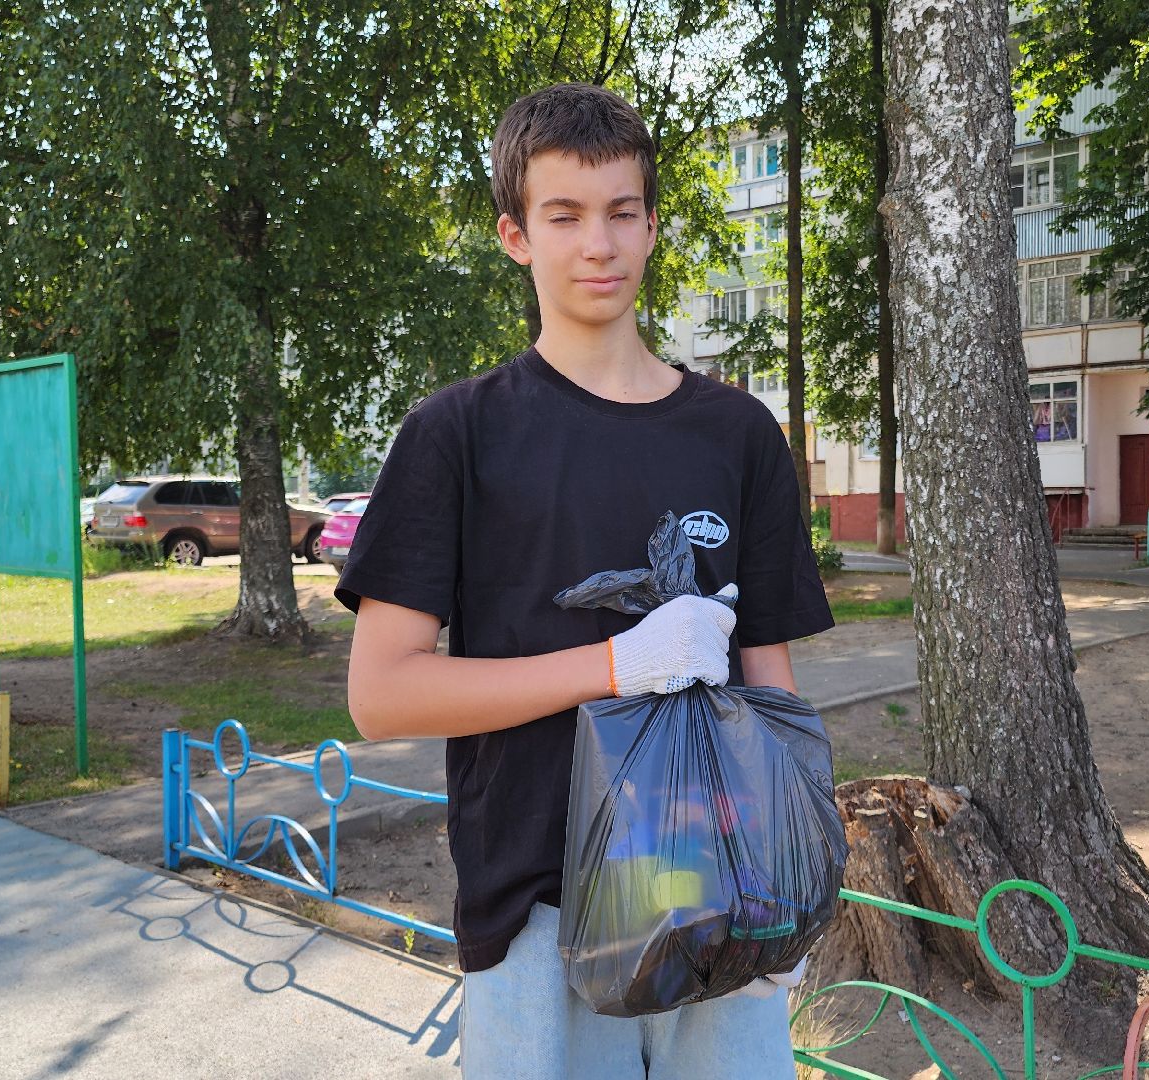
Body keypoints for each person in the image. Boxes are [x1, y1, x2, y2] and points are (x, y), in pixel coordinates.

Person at [337, 82, 833, 1079]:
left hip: (723, 903)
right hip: (536, 916)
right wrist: (613, 663)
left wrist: (798, 879)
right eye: (563, 216)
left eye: (620, 213)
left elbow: (770, 680)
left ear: (653, 228)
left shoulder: (737, 435)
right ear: (515, 235)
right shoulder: (456, 435)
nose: (596, 245)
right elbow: (381, 694)